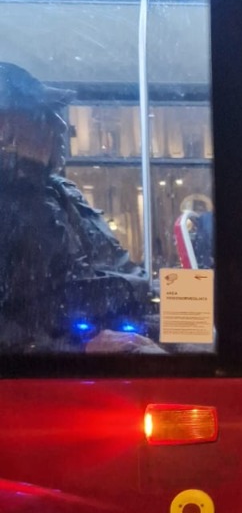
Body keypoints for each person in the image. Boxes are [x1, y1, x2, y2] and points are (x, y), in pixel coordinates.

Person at [0, 61, 158, 353]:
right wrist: (77, 352)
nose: (62, 127)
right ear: (4, 126)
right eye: (44, 116)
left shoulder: (65, 194)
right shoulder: (10, 206)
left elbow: (116, 270)